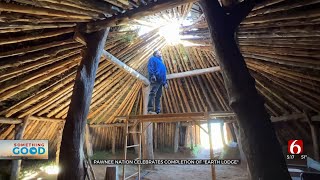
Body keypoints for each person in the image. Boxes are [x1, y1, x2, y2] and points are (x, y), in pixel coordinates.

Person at [147, 50, 168, 114]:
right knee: (152, 93)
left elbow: (164, 74)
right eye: (159, 52)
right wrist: (152, 75)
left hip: (161, 81)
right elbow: (150, 66)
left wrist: (165, 82)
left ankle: (157, 110)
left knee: (158, 96)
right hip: (155, 79)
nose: (161, 53)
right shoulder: (153, 59)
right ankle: (150, 109)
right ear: (155, 54)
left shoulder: (161, 62)